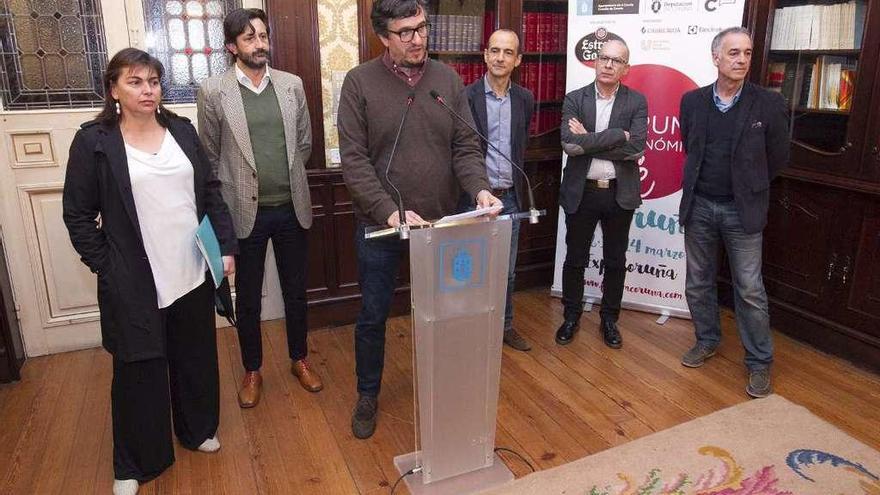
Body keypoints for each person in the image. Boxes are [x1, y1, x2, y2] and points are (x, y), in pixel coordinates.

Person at [62, 48, 237, 495]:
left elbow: (210, 191)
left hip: (192, 269)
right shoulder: (94, 142)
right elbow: (78, 215)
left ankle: (197, 430)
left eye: (154, 81)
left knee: (195, 356)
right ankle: (137, 462)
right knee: (138, 371)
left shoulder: (181, 130)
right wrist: (106, 265)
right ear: (113, 89)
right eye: (136, 81)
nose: (148, 90)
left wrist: (225, 248)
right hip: (135, 279)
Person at [337, 0, 501, 439]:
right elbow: (353, 162)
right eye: (405, 31)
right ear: (384, 37)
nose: (418, 39)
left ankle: (445, 387)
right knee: (373, 314)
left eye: (422, 28)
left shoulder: (447, 79)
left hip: (442, 227)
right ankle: (368, 393)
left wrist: (480, 188)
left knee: (447, 311)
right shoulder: (359, 83)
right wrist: (389, 210)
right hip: (383, 226)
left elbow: (465, 147)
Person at [197, 8, 322, 409]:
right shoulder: (214, 91)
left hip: (291, 208)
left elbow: (304, 144)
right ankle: (252, 369)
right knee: (247, 298)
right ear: (232, 46)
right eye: (250, 38)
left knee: (295, 292)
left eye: (264, 36)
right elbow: (210, 157)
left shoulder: (291, 85)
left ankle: (299, 359)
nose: (261, 44)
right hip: (242, 214)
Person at [678, 27, 790, 398]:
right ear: (716, 58)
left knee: (750, 289)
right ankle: (706, 340)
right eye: (733, 53)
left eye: (746, 53)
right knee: (698, 282)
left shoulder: (768, 104)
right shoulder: (692, 102)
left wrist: (749, 185)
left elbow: (778, 158)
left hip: (743, 211)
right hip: (700, 207)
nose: (742, 60)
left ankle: (759, 362)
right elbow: (688, 145)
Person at [556, 39, 647, 349]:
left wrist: (591, 141)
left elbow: (635, 148)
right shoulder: (574, 98)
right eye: (604, 58)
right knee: (575, 258)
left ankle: (609, 319)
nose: (609, 64)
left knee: (615, 260)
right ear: (595, 62)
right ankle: (571, 316)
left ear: (626, 68)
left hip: (619, 194)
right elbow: (570, 144)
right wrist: (615, 137)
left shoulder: (636, 102)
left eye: (617, 60)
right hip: (581, 192)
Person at [463, 28, 535, 351]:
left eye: (508, 52)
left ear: (517, 60)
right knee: (470, 272)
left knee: (506, 272)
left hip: (510, 198)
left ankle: (505, 326)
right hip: (472, 201)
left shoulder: (525, 99)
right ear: (485, 55)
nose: (500, 58)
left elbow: (521, 145)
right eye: (494, 51)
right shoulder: (466, 97)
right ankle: (472, 330)